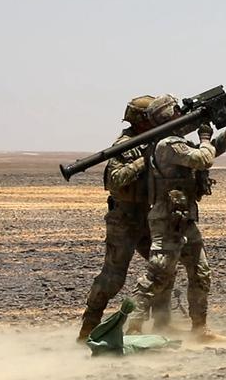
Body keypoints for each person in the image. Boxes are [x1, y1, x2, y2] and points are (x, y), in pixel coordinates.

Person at [125, 94, 226, 340]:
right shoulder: (167, 145)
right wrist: (204, 137)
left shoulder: (176, 143)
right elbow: (203, 158)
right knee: (156, 275)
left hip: (185, 220)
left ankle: (199, 329)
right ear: (170, 115)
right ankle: (132, 328)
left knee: (201, 272)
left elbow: (213, 149)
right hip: (167, 221)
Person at [77, 96, 175, 341]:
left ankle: (161, 326)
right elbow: (116, 180)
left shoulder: (155, 139)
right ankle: (88, 329)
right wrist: (145, 158)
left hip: (147, 216)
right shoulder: (125, 144)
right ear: (141, 120)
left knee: (164, 268)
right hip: (124, 218)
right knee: (113, 277)